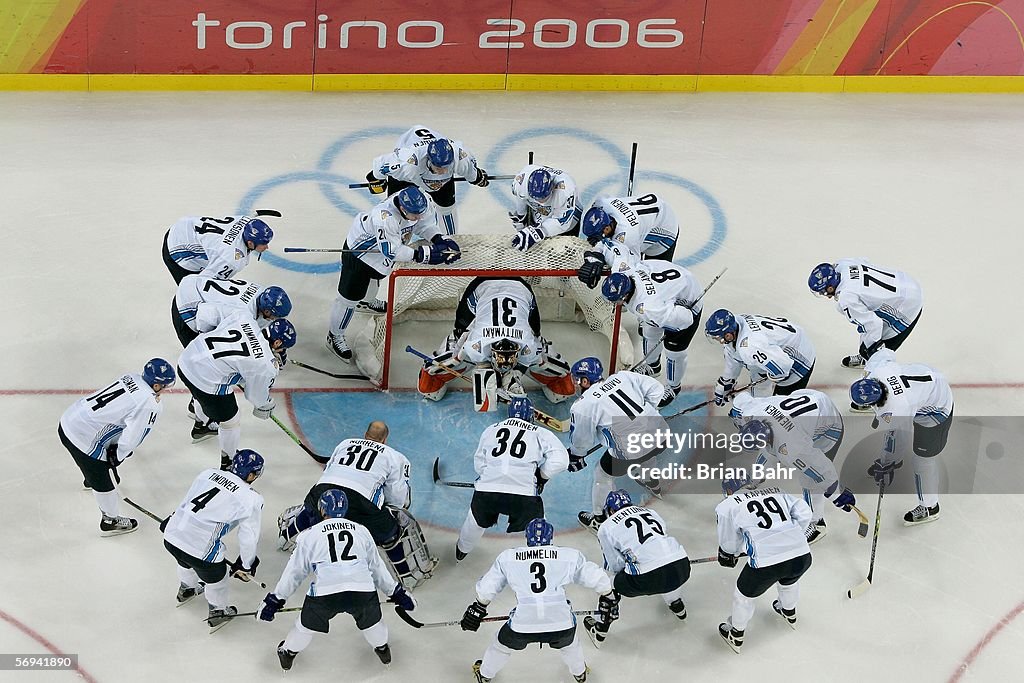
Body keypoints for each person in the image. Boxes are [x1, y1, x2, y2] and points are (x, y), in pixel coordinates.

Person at [259, 490, 417, 671]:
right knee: (373, 623)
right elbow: (376, 567)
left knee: (304, 626)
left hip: (326, 592)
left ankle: (288, 652)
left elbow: (295, 572)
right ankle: (382, 649)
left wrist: (276, 599)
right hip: (362, 589)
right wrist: (396, 592)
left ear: (322, 509)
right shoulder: (361, 531)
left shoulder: (310, 534)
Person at [460, 518, 612, 683]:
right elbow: (597, 578)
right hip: (561, 622)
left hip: (523, 624)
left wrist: (478, 607)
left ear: (527, 537)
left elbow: (488, 587)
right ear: (550, 537)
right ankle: (580, 673)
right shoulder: (569, 556)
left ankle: (484, 675)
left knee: (501, 646)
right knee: (571, 644)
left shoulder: (508, 557)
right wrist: (609, 596)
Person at [327, 186, 460, 363]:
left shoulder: (420, 202)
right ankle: (334, 335)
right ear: (403, 209)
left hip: (379, 256)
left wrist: (438, 239)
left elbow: (425, 224)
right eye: (415, 214)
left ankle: (366, 302)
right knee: (348, 299)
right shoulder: (385, 217)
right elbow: (391, 251)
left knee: (374, 279)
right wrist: (424, 255)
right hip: (360, 254)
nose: (419, 216)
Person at [58, 359, 175, 536]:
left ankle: (90, 477)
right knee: (104, 481)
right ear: (157, 385)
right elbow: (134, 436)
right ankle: (110, 520)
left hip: (68, 420)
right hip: (83, 439)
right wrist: (118, 455)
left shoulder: (132, 377)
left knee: (94, 463)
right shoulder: (149, 402)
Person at [418, 277, 575, 405]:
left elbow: (537, 348)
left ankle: (511, 378)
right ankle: (507, 376)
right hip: (483, 286)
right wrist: (488, 374)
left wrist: (512, 376)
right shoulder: (476, 345)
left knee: (562, 392)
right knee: (430, 389)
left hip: (521, 288)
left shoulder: (527, 345)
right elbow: (460, 350)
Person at [162, 450, 265, 632]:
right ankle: (218, 611)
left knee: (184, 560)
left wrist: (172, 519)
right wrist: (246, 565)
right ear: (250, 474)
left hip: (172, 536)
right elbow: (248, 536)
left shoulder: (208, 473)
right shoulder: (252, 498)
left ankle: (186, 589)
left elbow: (187, 500)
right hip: (200, 549)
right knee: (217, 577)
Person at [455, 398, 569, 561]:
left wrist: (488, 478)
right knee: (539, 527)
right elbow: (561, 461)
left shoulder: (491, 429)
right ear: (530, 415)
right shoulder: (539, 433)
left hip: (487, 493)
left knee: (474, 522)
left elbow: (479, 463)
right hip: (523, 496)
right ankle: (543, 561)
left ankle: (461, 551)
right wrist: (541, 477)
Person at [568, 357, 674, 530]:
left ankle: (599, 519)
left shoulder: (583, 404)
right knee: (648, 448)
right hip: (661, 433)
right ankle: (651, 481)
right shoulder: (624, 377)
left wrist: (576, 455)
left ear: (585, 381)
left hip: (630, 450)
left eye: (577, 380)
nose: (576, 384)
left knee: (602, 474)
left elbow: (582, 441)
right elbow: (657, 390)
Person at [177, 316, 296, 469]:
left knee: (202, 391)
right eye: (283, 347)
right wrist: (266, 404)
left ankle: (202, 423)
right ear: (278, 342)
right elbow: (255, 396)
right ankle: (229, 461)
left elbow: (208, 322)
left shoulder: (245, 320)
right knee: (231, 420)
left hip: (187, 359)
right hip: (204, 378)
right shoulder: (265, 364)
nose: (282, 351)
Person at [851, 348, 954, 525]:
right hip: (925, 379)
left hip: (936, 409)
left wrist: (888, 463)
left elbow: (899, 439)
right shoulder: (876, 370)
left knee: (922, 461)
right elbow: (886, 353)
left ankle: (930, 507)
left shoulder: (898, 408)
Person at [277, 420, 411, 551]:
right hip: (360, 504)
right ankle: (407, 571)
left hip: (321, 491)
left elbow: (328, 471)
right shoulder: (396, 457)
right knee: (391, 531)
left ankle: (285, 537)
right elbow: (396, 496)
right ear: (385, 439)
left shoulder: (345, 443)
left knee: (315, 508)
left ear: (365, 434)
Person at [715, 481, 813, 653]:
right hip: (801, 555)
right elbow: (805, 512)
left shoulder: (727, 505)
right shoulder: (777, 491)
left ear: (729, 490)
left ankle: (736, 634)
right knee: (789, 582)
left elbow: (729, 541)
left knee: (743, 596)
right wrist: (793, 537)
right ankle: (789, 612)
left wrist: (729, 553)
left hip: (766, 564)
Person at [584, 490, 690, 647]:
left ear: (610, 510)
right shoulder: (650, 512)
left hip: (648, 578)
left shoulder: (606, 527)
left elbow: (615, 565)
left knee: (607, 582)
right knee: (663, 563)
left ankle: (600, 627)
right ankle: (676, 604)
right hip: (682, 566)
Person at [734, 418, 856, 544]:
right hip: (800, 421)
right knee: (770, 453)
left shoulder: (791, 450)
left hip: (829, 428)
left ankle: (816, 525)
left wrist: (835, 493)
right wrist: (753, 479)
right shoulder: (762, 419)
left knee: (808, 476)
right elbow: (768, 453)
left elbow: (819, 468)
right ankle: (754, 479)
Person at [598, 262, 704, 401]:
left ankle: (673, 387)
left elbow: (686, 320)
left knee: (674, 351)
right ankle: (653, 366)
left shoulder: (650, 308)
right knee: (649, 332)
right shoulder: (626, 270)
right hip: (668, 290)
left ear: (624, 296)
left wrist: (669, 327)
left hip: (687, 304)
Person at [365, 125, 490, 236]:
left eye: (447, 166)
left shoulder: (460, 157)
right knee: (398, 209)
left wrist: (477, 178)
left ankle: (452, 239)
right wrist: (375, 178)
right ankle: (395, 241)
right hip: (410, 176)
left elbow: (471, 172)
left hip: (434, 178)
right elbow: (380, 166)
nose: (444, 171)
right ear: (429, 159)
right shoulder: (408, 164)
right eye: (439, 167)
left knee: (447, 207)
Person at [808, 259, 923, 370]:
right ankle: (866, 358)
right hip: (905, 281)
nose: (824, 294)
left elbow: (873, 325)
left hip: (907, 304)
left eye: (823, 291)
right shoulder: (843, 264)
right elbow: (865, 262)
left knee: (879, 350)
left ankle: (879, 374)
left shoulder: (847, 298)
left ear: (830, 287)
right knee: (867, 330)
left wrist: (868, 350)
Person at [705, 309, 816, 401]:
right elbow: (733, 354)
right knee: (759, 385)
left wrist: (771, 377)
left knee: (779, 408)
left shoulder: (751, 346)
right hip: (783, 342)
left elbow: (783, 368)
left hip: (799, 357)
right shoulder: (737, 322)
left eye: (717, 337)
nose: (717, 339)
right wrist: (727, 381)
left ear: (729, 335)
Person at [171, 274, 292, 348]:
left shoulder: (262, 292)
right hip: (187, 307)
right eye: (275, 316)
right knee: (200, 356)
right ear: (266, 311)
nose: (275, 319)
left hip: (195, 283)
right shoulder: (244, 312)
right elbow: (205, 317)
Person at [162, 214, 274, 284]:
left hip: (185, 225)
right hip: (176, 248)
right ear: (250, 243)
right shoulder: (231, 260)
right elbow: (203, 282)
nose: (267, 247)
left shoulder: (245, 220)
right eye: (263, 244)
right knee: (192, 291)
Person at [580, 193, 680, 259]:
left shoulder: (628, 236)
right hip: (646, 215)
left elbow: (632, 265)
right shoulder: (602, 202)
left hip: (665, 227)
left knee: (652, 272)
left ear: (606, 228)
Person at [508, 164, 581, 251]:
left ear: (551, 188)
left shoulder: (565, 191)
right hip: (539, 214)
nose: (540, 201)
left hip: (567, 216)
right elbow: (521, 196)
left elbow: (563, 221)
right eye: (536, 198)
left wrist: (539, 232)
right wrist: (521, 215)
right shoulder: (521, 183)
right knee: (534, 251)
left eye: (544, 197)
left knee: (561, 254)